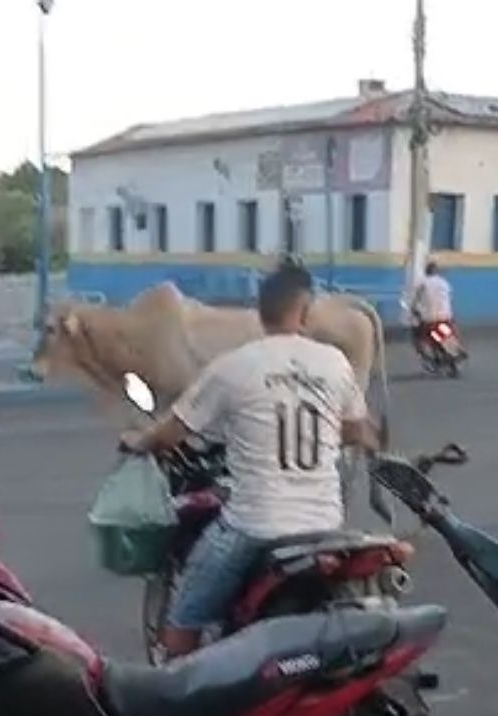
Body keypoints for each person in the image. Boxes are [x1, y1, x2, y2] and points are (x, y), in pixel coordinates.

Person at [121, 262, 378, 658]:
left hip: (256, 525)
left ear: (260, 313)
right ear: (305, 312)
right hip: (326, 525)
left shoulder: (234, 365)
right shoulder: (334, 363)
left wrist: (140, 441)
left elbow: (173, 431)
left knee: (184, 619)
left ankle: (176, 697)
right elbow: (358, 431)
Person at [410, 259, 454, 354]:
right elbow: (449, 298)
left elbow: (416, 300)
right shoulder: (444, 283)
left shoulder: (423, 283)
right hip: (446, 316)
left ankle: (425, 348)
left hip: (430, 318)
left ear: (426, 271)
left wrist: (414, 309)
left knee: (418, 330)